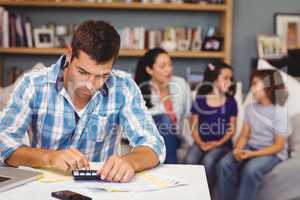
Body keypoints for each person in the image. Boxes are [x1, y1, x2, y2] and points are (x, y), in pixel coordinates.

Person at [0, 20, 166, 183]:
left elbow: (153, 143)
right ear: (69, 54)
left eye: (102, 76)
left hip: (101, 187)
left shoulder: (123, 87)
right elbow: (3, 142)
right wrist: (48, 157)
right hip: (43, 188)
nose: (91, 85)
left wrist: (131, 161)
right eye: (83, 72)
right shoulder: (33, 84)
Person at [217, 69, 290, 200]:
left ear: (269, 85)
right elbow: (245, 135)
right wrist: (238, 148)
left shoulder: (279, 112)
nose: (251, 87)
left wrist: (252, 154)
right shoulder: (251, 109)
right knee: (224, 164)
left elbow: (278, 146)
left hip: (272, 152)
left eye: (255, 83)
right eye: (251, 83)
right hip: (251, 147)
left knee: (251, 170)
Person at [185, 62, 238, 194]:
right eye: (225, 78)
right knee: (190, 159)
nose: (229, 82)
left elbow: (231, 130)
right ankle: (189, 194)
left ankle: (205, 195)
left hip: (222, 144)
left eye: (231, 79)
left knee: (208, 161)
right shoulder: (200, 100)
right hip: (201, 142)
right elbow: (194, 128)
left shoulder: (231, 101)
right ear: (214, 79)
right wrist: (200, 143)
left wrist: (217, 143)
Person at [134, 48, 191, 164]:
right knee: (164, 119)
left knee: (167, 123)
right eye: (162, 66)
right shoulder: (141, 91)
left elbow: (188, 115)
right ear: (149, 70)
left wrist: (191, 143)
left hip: (178, 136)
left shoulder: (181, 84)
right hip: (152, 138)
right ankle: (171, 169)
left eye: (170, 65)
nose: (168, 70)